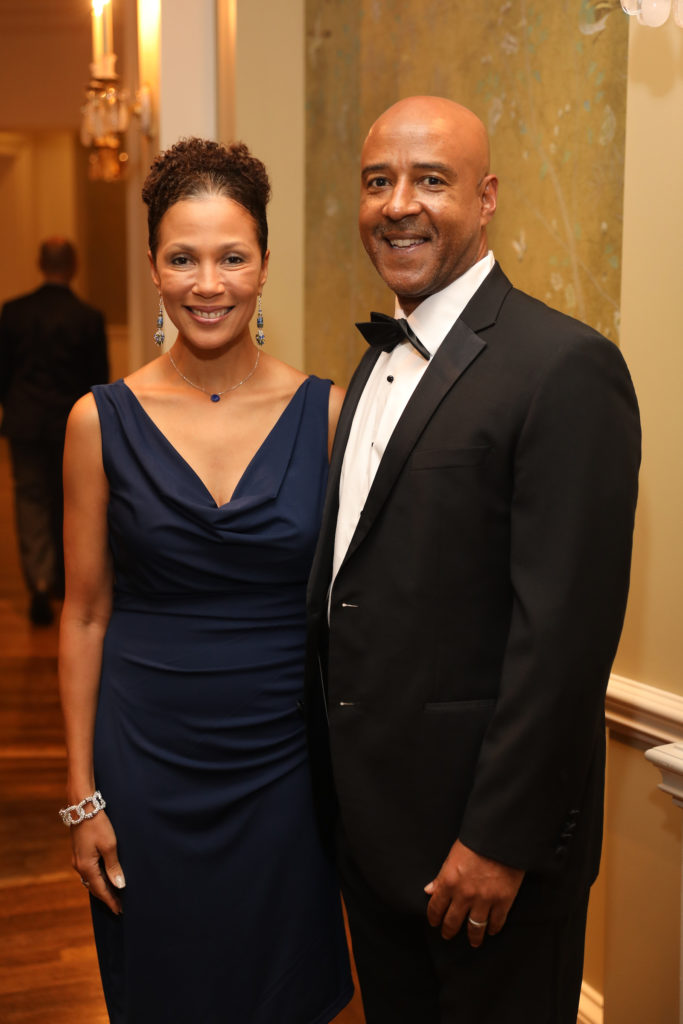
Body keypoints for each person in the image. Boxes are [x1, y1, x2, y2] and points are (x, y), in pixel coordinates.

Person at [305, 96, 641, 1024]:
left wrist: (498, 842)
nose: (398, 204)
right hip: (372, 841)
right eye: (378, 182)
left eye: (431, 180)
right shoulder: (372, 363)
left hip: (485, 858)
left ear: (486, 199)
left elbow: (563, 640)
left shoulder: (565, 367)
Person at [58, 138, 352, 1023]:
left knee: (283, 992)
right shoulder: (97, 421)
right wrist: (82, 798)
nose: (208, 283)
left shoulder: (330, 415)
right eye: (182, 258)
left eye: (232, 257)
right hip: (144, 764)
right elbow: (82, 615)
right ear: (153, 267)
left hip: (285, 767)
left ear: (264, 266)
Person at [0, 238, 108, 625]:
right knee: (70, 499)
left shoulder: (13, 313)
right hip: (71, 425)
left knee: (30, 499)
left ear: (39, 263)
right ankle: (66, 579)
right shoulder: (88, 317)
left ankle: (40, 583)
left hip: (26, 420)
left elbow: (3, 373)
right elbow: (99, 381)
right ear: (73, 266)